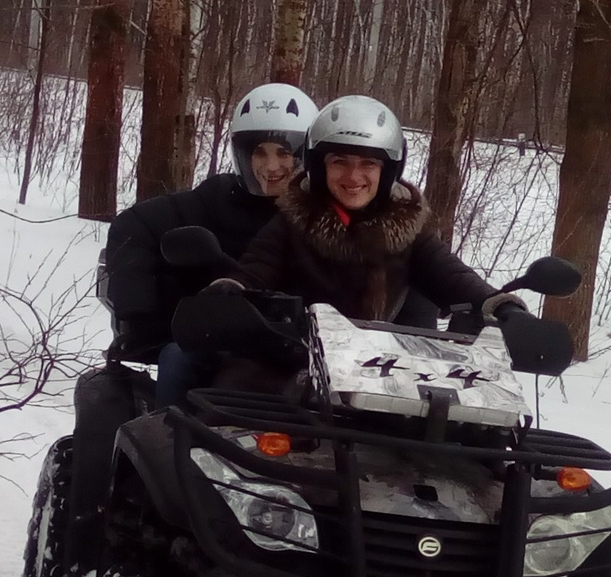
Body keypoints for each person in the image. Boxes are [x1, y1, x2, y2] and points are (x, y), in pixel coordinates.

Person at [213, 94, 523, 330]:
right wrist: (231, 290)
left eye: (368, 164)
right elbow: (255, 270)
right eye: (340, 162)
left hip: (379, 371)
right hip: (294, 360)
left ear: (387, 172)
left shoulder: (406, 227)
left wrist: (499, 306)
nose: (353, 177)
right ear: (319, 167)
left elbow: (452, 275)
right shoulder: (293, 219)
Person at [100, 82, 318, 408]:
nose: (271, 166)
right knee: (177, 359)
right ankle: (168, 433)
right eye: (259, 152)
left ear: (305, 155)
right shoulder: (214, 202)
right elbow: (132, 227)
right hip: (224, 339)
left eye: (284, 153)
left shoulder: (320, 214)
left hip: (307, 349)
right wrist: (142, 317)